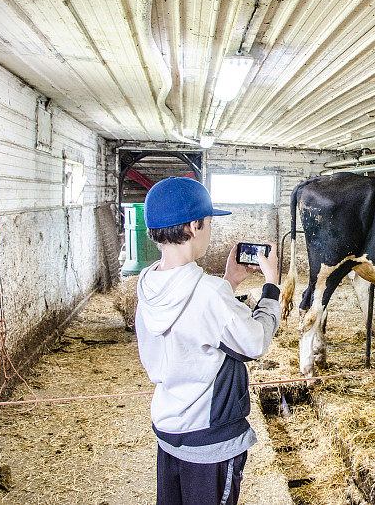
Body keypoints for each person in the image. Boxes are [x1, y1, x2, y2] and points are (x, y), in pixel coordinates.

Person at [135, 176, 281, 505]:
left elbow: (196, 324)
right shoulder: (208, 293)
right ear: (194, 226)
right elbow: (254, 342)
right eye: (210, 222)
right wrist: (271, 285)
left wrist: (228, 281)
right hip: (209, 440)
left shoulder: (147, 283)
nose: (210, 229)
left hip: (170, 427)